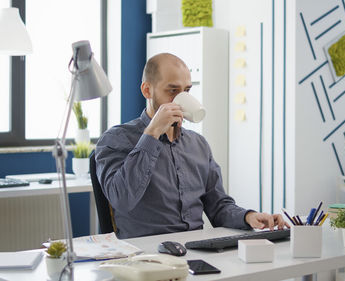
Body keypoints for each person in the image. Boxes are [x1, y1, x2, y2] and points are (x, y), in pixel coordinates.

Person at [95, 53, 288, 239]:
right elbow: (122, 199)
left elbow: (218, 206)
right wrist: (152, 134)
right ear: (147, 90)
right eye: (173, 91)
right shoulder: (115, 139)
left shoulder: (197, 144)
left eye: (186, 90)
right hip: (146, 255)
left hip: (195, 249)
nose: (181, 98)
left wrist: (248, 217)